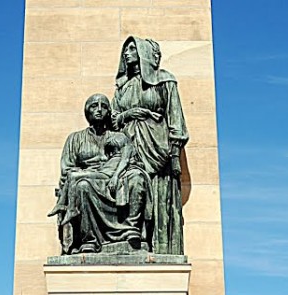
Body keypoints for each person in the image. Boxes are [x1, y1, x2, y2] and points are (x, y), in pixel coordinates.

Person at [112, 37, 189, 255]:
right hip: (129, 146)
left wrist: (174, 152)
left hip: (157, 147)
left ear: (143, 52)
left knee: (159, 197)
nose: (126, 53)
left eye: (132, 48)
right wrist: (129, 114)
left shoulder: (164, 80)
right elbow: (113, 119)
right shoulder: (122, 88)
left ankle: (160, 247)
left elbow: (176, 119)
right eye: (125, 50)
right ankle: (133, 238)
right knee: (132, 187)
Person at [49, 93, 150, 254]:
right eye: (94, 106)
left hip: (116, 178)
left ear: (109, 112)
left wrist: (117, 173)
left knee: (137, 177)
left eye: (104, 106)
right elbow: (67, 169)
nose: (99, 110)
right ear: (87, 112)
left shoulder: (119, 137)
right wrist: (89, 172)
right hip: (89, 180)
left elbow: (131, 158)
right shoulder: (75, 138)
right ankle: (89, 240)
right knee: (82, 185)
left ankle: (130, 229)